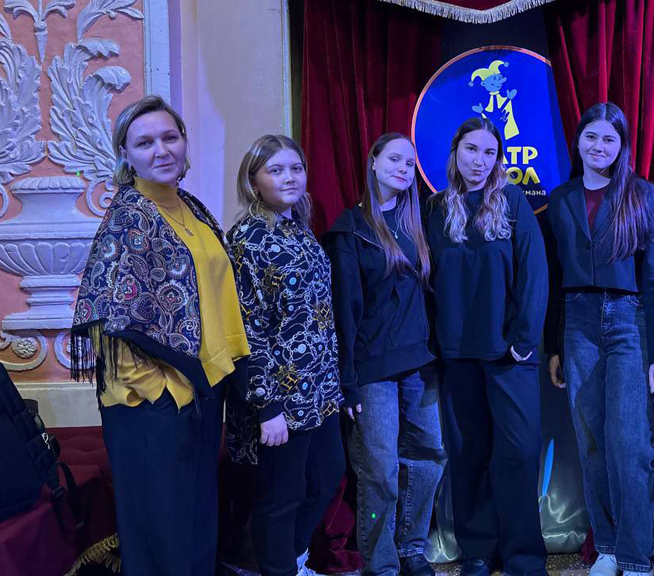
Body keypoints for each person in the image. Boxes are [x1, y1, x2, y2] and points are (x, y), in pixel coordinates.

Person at [71, 95, 250, 576]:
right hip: (152, 402)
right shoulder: (129, 215)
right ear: (126, 155)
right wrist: (167, 391)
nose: (161, 150)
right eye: (145, 142)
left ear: (185, 142)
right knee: (161, 532)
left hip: (202, 389)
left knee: (195, 524)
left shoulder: (191, 207)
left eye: (170, 137)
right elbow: (110, 315)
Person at [545, 102, 654, 576]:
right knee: (591, 439)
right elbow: (554, 276)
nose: (599, 146)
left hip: (628, 321)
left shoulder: (641, 194)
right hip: (577, 321)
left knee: (631, 442)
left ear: (622, 146)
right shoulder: (561, 199)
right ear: (578, 141)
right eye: (591, 137)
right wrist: (554, 345)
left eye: (609, 139)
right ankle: (609, 548)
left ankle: (637, 557)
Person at [425, 116, 549, 576]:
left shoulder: (512, 201)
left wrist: (524, 340)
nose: (480, 160)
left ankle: (523, 556)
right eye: (471, 150)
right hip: (458, 355)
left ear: (498, 159)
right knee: (468, 454)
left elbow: (535, 272)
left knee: (519, 452)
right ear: (455, 152)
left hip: (509, 354)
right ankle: (478, 550)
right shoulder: (435, 209)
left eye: (489, 153)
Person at [226, 135, 346, 576]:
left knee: (327, 475)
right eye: (275, 170)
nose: (289, 177)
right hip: (277, 396)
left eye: (295, 168)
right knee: (281, 496)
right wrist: (267, 407)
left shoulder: (298, 228)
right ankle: (277, 568)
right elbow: (246, 329)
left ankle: (289, 561)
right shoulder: (248, 239)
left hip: (319, 392)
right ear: (253, 181)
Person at [325, 133, 445, 576]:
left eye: (409, 164)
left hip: (419, 365)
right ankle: (381, 564)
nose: (403, 169)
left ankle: (412, 548)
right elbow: (344, 310)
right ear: (373, 162)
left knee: (429, 456)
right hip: (371, 369)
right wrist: (347, 379)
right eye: (394, 159)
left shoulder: (420, 223)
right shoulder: (350, 229)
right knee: (379, 469)